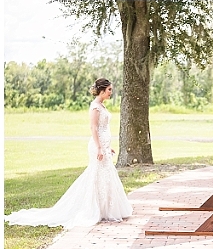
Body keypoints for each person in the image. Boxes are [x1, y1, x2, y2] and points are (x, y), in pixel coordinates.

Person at [5, 78, 133, 229]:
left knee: (106, 175)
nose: (111, 92)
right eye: (109, 90)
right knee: (96, 175)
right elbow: (93, 128)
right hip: (97, 147)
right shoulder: (95, 107)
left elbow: (104, 128)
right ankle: (93, 209)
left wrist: (107, 147)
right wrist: (99, 148)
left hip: (104, 146)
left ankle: (106, 209)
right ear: (102, 90)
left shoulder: (102, 106)